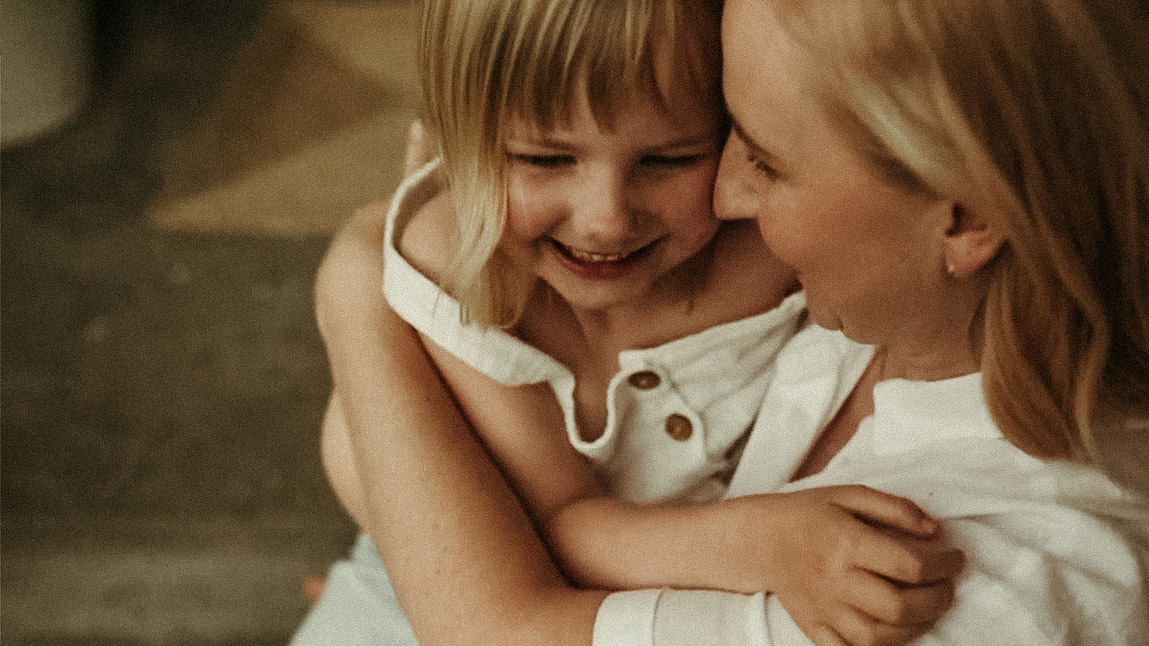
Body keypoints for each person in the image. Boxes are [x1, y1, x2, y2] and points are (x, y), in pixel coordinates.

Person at [311, 0, 1149, 643]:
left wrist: (356, 288)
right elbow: (533, 536)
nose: (605, 221)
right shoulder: (880, 302)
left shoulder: (1004, 582)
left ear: (963, 219)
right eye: (542, 157)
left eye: (758, 158)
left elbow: (499, 624)